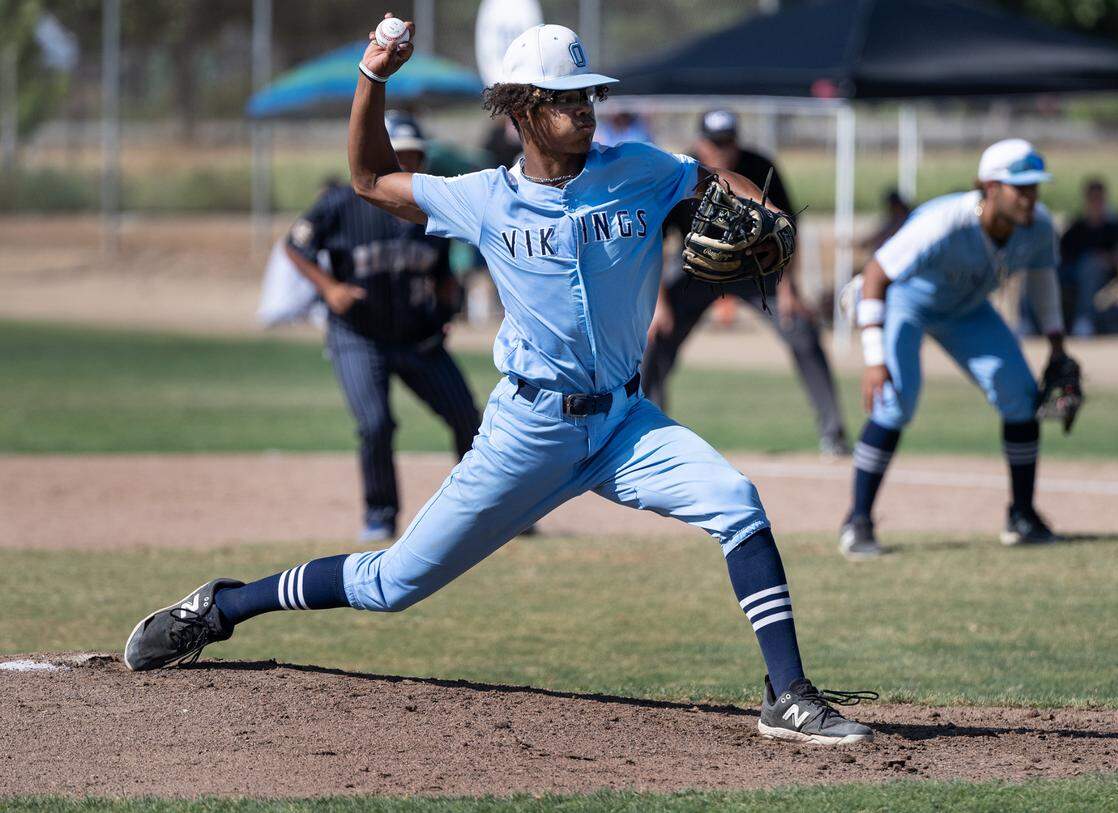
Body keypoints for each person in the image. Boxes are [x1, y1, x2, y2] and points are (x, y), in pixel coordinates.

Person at [125, 20, 874, 746]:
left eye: (587, 96)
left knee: (736, 502)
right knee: (392, 583)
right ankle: (223, 606)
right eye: (563, 99)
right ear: (521, 109)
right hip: (528, 432)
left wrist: (763, 209)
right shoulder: (482, 196)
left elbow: (713, 178)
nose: (582, 109)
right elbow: (368, 176)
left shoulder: (640, 170)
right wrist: (371, 80)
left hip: (624, 425)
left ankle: (789, 695)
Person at [839, 139, 1078, 560]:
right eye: (1017, 186)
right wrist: (875, 360)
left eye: (1034, 186)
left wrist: (1057, 348)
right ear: (987, 187)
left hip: (966, 309)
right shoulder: (945, 221)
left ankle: (1021, 516)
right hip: (907, 302)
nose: (1029, 196)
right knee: (894, 400)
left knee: (1020, 395)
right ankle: (857, 520)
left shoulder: (1037, 225)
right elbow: (876, 274)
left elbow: (1043, 282)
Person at [283, 113, 481, 543]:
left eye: (414, 156)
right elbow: (295, 245)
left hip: (417, 336)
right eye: (399, 154)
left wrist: (448, 306)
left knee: (466, 415)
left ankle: (484, 509)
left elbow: (442, 272)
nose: (407, 164)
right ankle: (380, 515)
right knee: (375, 424)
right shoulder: (340, 203)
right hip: (358, 336)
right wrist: (329, 287)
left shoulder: (432, 205)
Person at [642, 109, 850, 457]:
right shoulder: (680, 172)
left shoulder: (758, 167)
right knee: (653, 338)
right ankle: (645, 432)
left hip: (755, 271)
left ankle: (834, 434)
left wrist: (788, 289)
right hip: (696, 272)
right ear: (699, 141)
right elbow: (653, 244)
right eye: (714, 143)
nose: (722, 150)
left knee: (801, 329)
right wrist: (658, 304)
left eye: (728, 142)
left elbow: (787, 230)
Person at [1058, 178, 1118, 337]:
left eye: (1099, 198)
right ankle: (1032, 321)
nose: (1096, 202)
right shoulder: (1077, 226)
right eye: (1092, 198)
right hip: (1072, 273)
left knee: (1090, 265)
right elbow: (1060, 252)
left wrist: (1107, 258)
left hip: (1103, 274)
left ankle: (1084, 319)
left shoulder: (1113, 226)